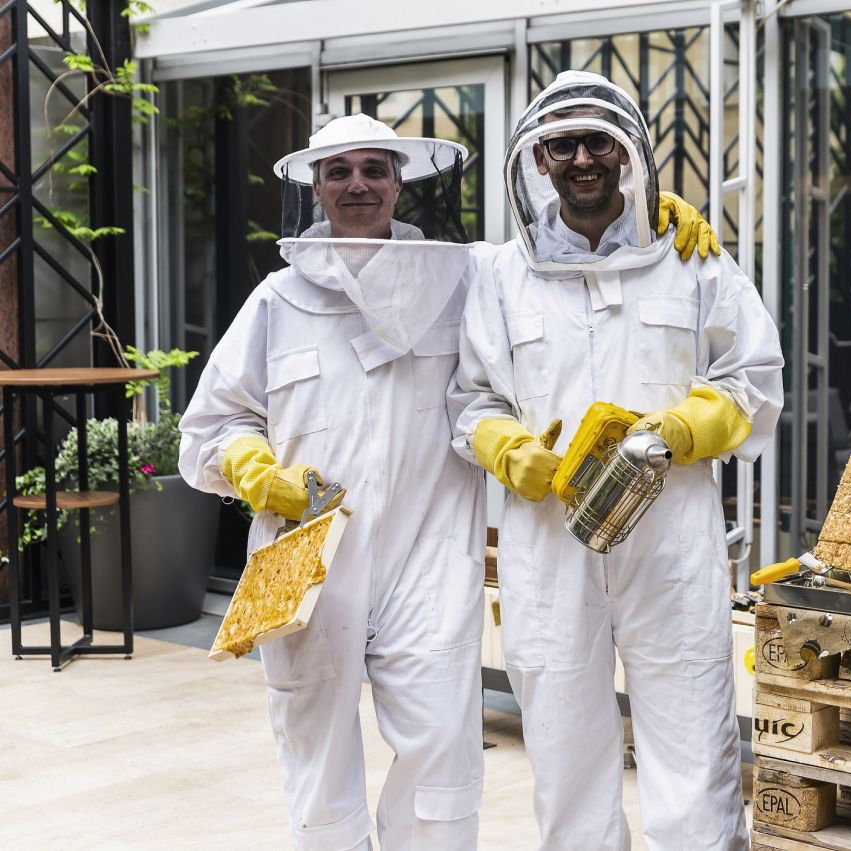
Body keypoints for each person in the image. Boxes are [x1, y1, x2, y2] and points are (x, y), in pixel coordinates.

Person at [178, 112, 720, 851]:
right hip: (310, 561)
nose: (359, 184)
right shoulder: (276, 301)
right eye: (339, 170)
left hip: (428, 558)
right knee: (314, 748)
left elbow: (554, 260)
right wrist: (254, 469)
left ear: (400, 181)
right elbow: (213, 425)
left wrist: (642, 219)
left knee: (442, 750)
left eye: (376, 168)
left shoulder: (464, 273)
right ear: (315, 186)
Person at [453, 71, 783, 850]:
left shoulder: (691, 256)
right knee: (562, 733)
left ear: (628, 151)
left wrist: (685, 426)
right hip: (548, 535)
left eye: (598, 140)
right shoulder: (499, 274)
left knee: (692, 723)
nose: (581, 158)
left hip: (670, 534)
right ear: (538, 160)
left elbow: (754, 375)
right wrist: (507, 448)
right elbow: (468, 399)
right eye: (561, 144)